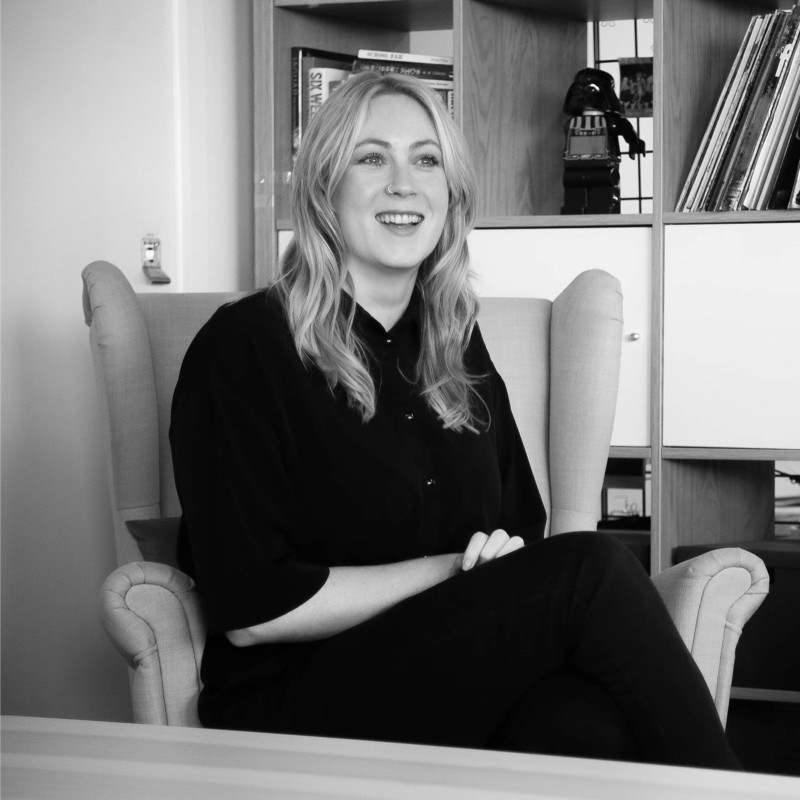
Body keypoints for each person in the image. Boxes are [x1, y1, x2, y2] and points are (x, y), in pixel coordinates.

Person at [170, 70, 739, 769]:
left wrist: (493, 574)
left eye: (427, 160)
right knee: (591, 570)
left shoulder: (453, 343)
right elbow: (254, 614)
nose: (404, 184)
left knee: (594, 729)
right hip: (297, 697)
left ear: (451, 196)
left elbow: (520, 536)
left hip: (445, 674)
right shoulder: (243, 347)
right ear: (323, 187)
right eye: (371, 157)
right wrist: (446, 573)